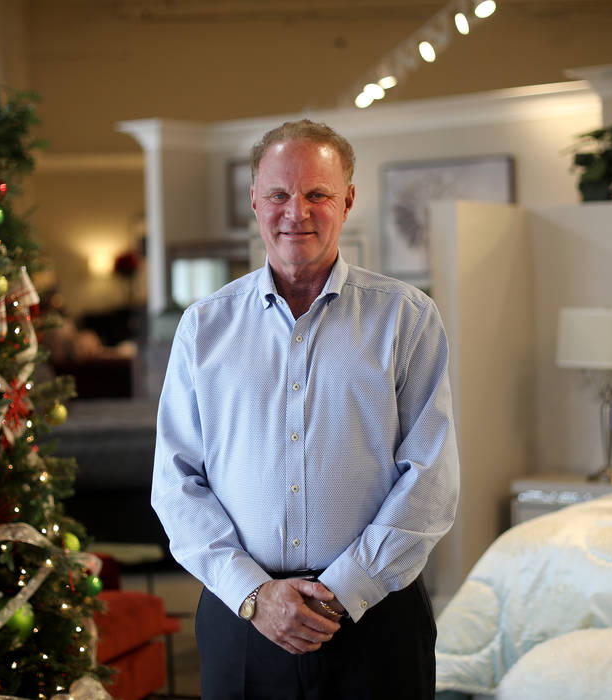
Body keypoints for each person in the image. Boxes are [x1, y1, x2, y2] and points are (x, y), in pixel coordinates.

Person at [151, 119, 459, 699]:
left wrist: (344, 587)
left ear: (347, 200)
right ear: (254, 201)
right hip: (243, 616)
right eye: (279, 194)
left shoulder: (407, 317)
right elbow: (175, 483)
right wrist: (256, 594)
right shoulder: (204, 326)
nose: (298, 211)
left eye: (318, 193)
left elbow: (431, 479)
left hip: (374, 617)